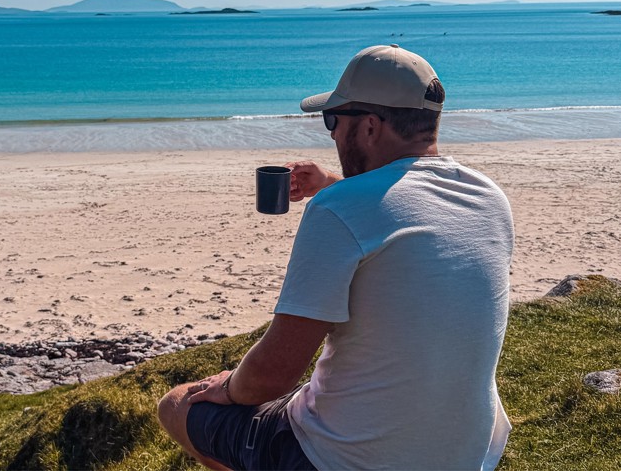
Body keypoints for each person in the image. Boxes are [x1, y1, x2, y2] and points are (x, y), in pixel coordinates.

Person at [157, 44, 514, 470]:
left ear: (368, 125)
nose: (330, 134)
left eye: (332, 120)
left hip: (348, 460)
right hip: (466, 452)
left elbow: (276, 372)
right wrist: (332, 182)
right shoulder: (487, 197)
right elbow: (403, 209)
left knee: (176, 404)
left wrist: (228, 388)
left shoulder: (338, 211)